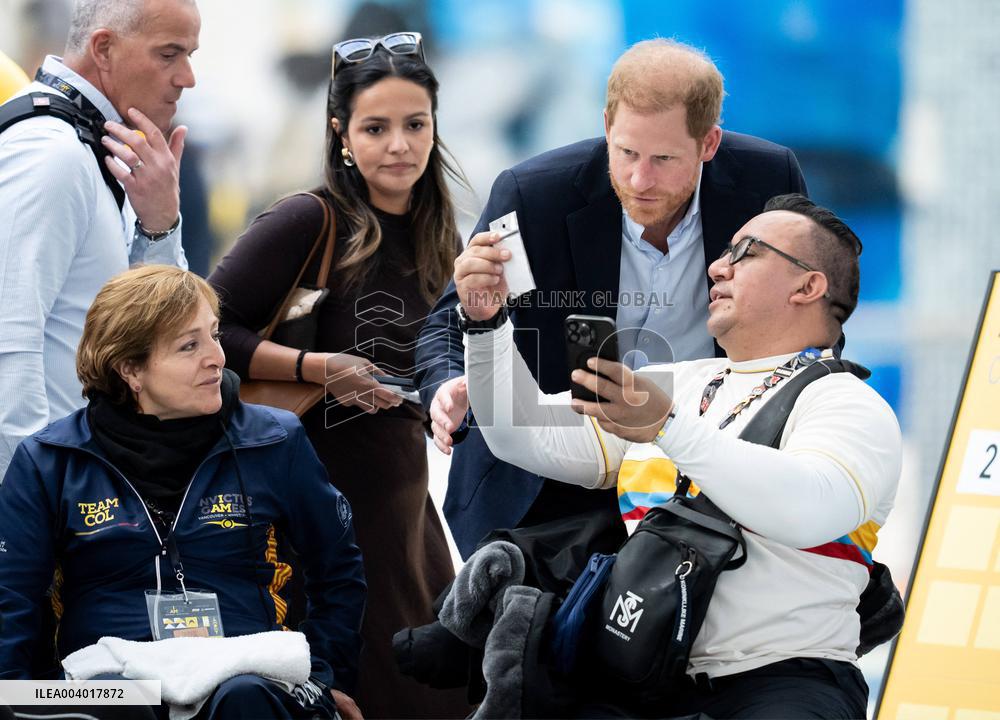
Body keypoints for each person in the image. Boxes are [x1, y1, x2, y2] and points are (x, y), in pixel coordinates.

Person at [457, 194, 901, 718]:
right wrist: (485, 323)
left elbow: (808, 509)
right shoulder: (683, 384)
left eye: (747, 252)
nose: (718, 265)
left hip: (784, 678)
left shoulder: (847, 401)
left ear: (808, 286)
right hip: (641, 677)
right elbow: (519, 431)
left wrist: (667, 426)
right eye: (725, 252)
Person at [413, 38, 810, 558]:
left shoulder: (768, 182)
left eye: (664, 159)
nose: (639, 179)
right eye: (625, 152)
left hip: (707, 471)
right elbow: (451, 318)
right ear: (606, 125)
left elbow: (807, 314)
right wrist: (448, 385)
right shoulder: (534, 197)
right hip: (549, 487)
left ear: (709, 144)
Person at [208, 33, 470, 719]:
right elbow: (205, 327)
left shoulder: (442, 233)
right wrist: (318, 369)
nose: (399, 145)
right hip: (318, 505)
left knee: (434, 688)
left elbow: (454, 350)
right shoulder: (308, 218)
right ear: (342, 135)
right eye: (376, 128)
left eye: (415, 125)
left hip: (406, 504)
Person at [0, 266, 366, 719]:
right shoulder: (50, 459)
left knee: (244, 698)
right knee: (125, 705)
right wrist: (13, 700)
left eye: (213, 334)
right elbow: (10, 598)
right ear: (130, 369)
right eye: (189, 345)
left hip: (244, 669)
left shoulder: (274, 439)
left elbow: (338, 572)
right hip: (106, 677)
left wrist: (327, 677)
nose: (216, 357)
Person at [0, 0, 197, 476]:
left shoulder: (93, 146)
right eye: (169, 54)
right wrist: (37, 496)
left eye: (191, 54)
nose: (188, 77)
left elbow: (158, 330)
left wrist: (160, 224)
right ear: (104, 48)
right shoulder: (52, 153)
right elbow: (8, 339)